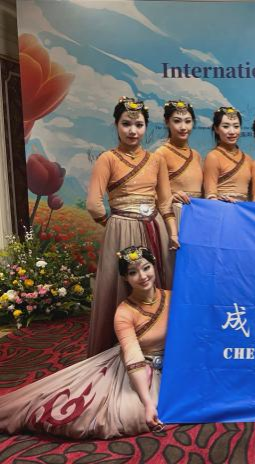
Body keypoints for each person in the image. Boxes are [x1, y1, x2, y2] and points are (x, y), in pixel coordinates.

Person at [0, 246, 171, 438]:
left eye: (146, 268)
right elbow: (133, 356)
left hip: (173, 364)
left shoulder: (173, 297)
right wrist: (147, 403)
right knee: (133, 414)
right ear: (125, 278)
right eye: (133, 272)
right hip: (138, 366)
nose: (142, 276)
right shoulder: (124, 312)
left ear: (154, 266)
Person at [86, 97, 178, 357]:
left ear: (146, 126)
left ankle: (160, 345)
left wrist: (172, 232)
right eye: (126, 124)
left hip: (156, 228)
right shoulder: (107, 158)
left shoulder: (156, 160)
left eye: (139, 125)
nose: (133, 131)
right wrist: (113, 224)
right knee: (123, 285)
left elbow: (165, 201)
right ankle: (124, 350)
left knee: (158, 282)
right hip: (123, 228)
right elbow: (93, 204)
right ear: (116, 125)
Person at [154, 100, 203, 225]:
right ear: (167, 122)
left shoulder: (196, 155)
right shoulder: (161, 153)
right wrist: (171, 197)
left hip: (196, 216)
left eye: (188, 121)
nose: (183, 127)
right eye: (177, 121)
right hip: (173, 215)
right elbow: (150, 193)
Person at [203, 107, 252, 202]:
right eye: (226, 126)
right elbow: (210, 195)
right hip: (221, 208)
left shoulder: (248, 159)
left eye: (236, 126)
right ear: (216, 129)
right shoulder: (213, 157)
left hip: (243, 209)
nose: (232, 132)